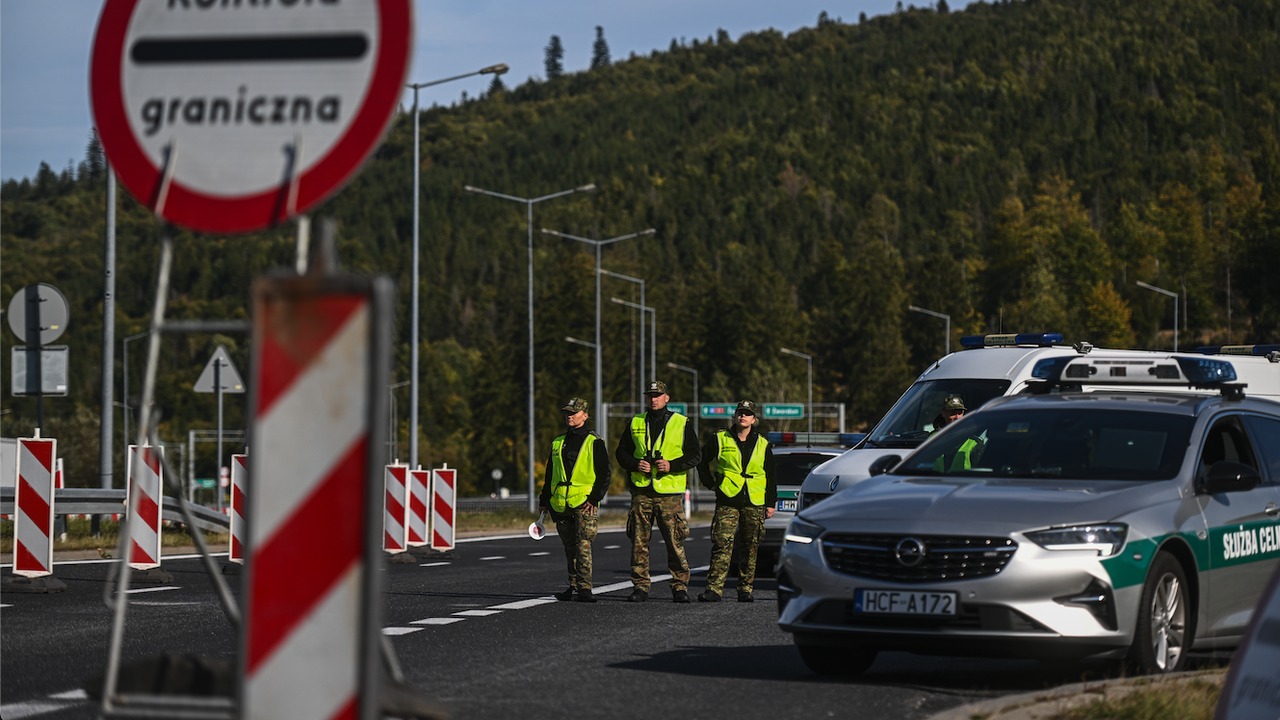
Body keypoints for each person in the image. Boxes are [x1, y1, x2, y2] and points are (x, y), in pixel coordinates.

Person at [615, 380, 701, 603]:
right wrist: (635, 464)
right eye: (650, 396)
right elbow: (621, 453)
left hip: (669, 493)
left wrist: (672, 465)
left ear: (666, 398)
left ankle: (680, 586)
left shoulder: (681, 422)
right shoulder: (635, 422)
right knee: (639, 541)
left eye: (657, 395)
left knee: (674, 541)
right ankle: (640, 586)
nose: (653, 399)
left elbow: (695, 455)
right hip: (642, 491)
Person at [697, 400, 776, 603]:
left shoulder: (763, 443)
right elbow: (701, 459)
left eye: (747, 413)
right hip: (728, 499)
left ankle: (745, 589)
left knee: (750, 547)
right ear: (735, 416)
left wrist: (770, 503)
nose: (743, 416)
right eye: (740, 412)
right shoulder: (721, 438)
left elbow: (771, 475)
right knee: (722, 544)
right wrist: (710, 483)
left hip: (754, 500)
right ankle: (714, 589)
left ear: (754, 419)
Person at [539, 397, 611, 603]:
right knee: (569, 546)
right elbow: (551, 473)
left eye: (574, 413)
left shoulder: (594, 442)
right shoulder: (558, 442)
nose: (569, 416)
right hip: (561, 503)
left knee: (583, 545)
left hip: (585, 502)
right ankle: (573, 585)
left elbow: (605, 473)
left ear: (585, 416)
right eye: (567, 413)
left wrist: (595, 498)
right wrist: (544, 500)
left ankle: (585, 588)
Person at [930, 395, 982, 472]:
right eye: (953, 413)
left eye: (959, 413)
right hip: (933, 480)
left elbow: (980, 474)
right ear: (943, 413)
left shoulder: (974, 442)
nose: (957, 417)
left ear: (963, 413)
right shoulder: (931, 438)